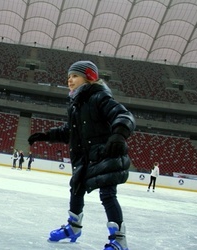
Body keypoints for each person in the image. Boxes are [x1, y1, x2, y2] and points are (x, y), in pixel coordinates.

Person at [28, 61, 135, 250]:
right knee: (76, 189)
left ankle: (119, 239)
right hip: (84, 158)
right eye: (68, 77)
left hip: (105, 155)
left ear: (89, 77)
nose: (70, 80)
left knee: (108, 195)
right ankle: (73, 228)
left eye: (75, 76)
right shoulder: (76, 105)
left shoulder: (99, 97)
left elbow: (123, 115)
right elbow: (71, 131)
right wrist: (47, 135)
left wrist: (118, 134)